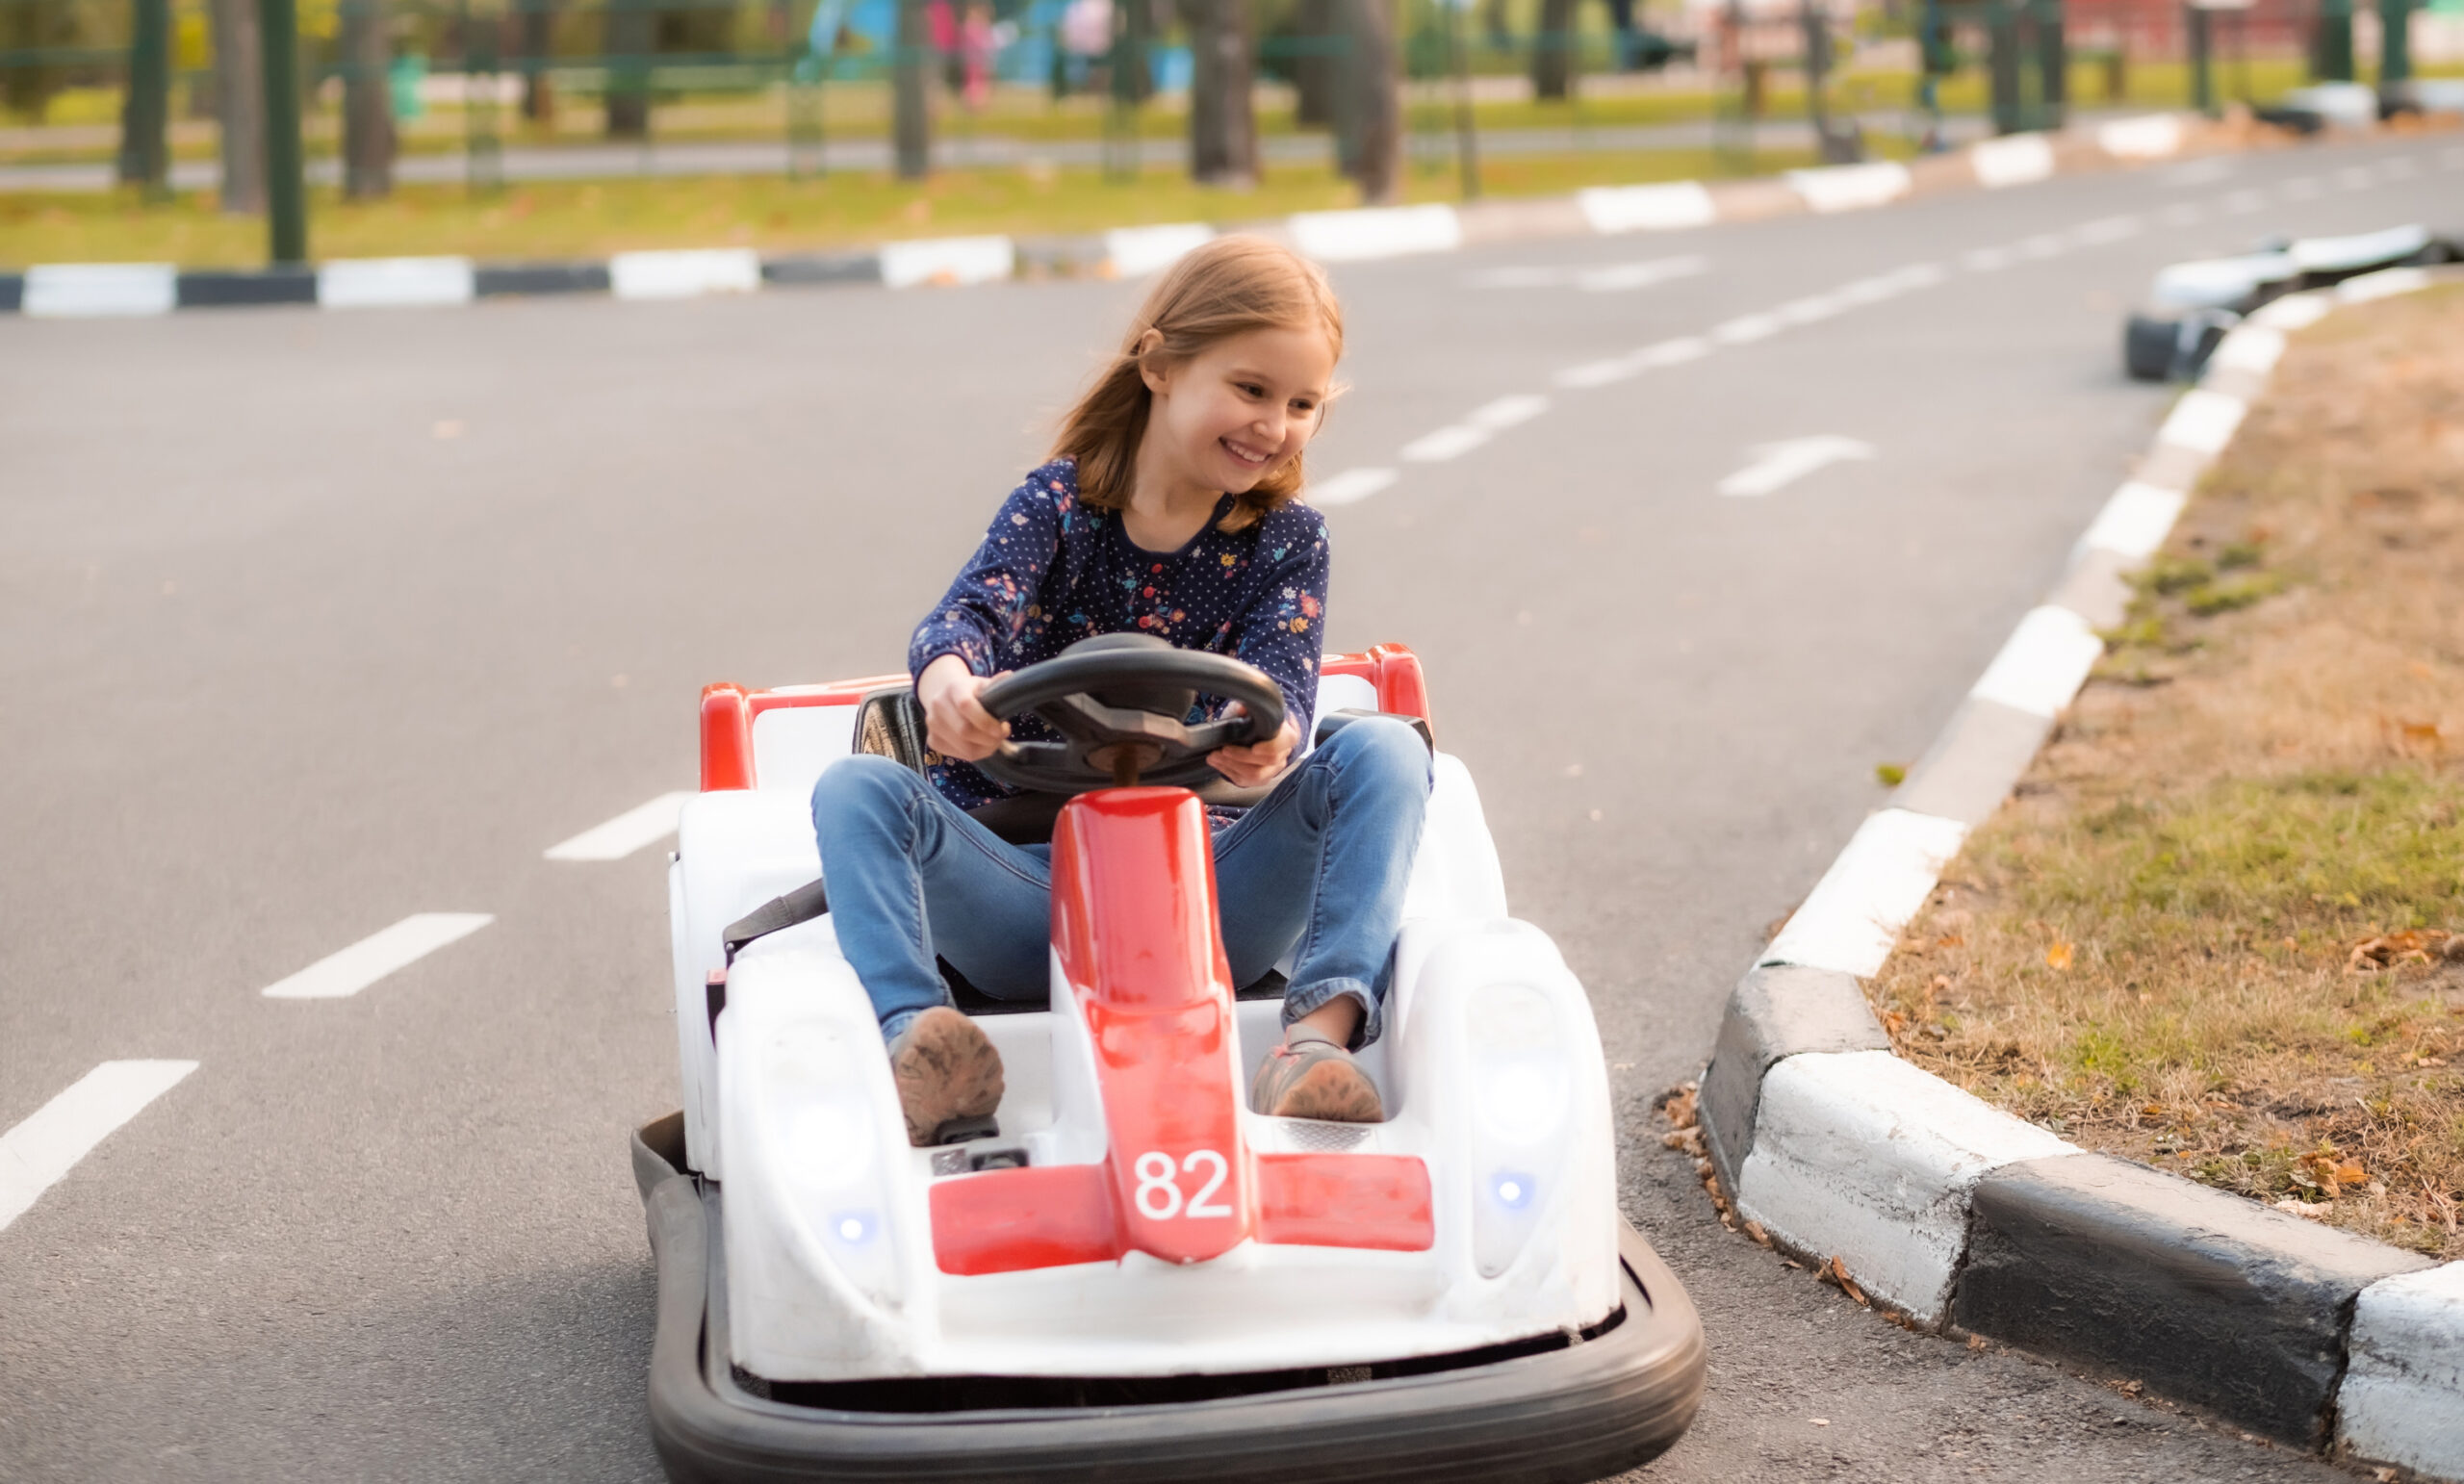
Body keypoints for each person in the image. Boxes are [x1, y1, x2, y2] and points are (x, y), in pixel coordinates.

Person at [811, 236, 1431, 1146]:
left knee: (1386, 744)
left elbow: (1284, 689)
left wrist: (1270, 736)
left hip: (1210, 895)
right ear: (1160, 365)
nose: (1276, 425)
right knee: (854, 788)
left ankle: (1312, 1042)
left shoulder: (1289, 541)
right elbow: (966, 619)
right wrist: (950, 685)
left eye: (1302, 404)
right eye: (1252, 390)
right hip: (1023, 891)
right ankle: (922, 1041)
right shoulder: (1057, 507)